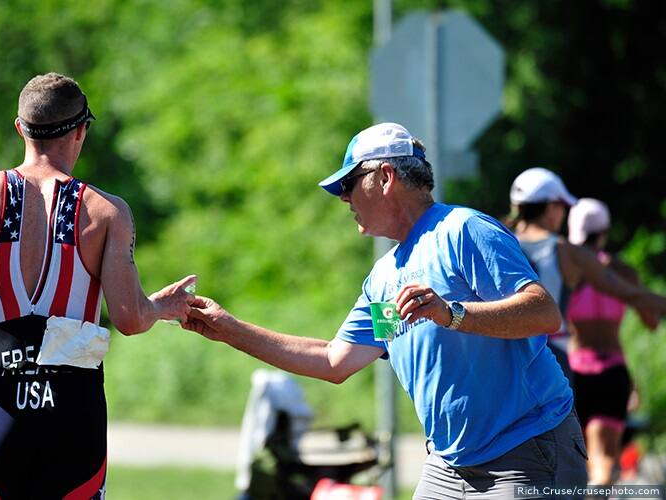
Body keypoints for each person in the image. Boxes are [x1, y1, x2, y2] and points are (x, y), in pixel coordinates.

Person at [185, 122, 589, 499]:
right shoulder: (384, 277)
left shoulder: (463, 230)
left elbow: (543, 312)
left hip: (527, 447)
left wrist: (452, 314)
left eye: (349, 182)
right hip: (449, 466)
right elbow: (334, 361)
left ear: (384, 176)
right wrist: (228, 329)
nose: (343, 197)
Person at [0, 72, 195, 498]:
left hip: (1, 416)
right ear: (81, 130)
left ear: (20, 129)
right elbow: (129, 319)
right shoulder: (107, 211)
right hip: (75, 420)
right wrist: (161, 307)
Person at [506, 169, 665, 384]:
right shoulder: (567, 252)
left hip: (506, 362)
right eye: (562, 207)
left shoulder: (500, 243)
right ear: (551, 208)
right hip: (552, 362)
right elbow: (630, 294)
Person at [566, 198, 652, 487]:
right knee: (604, 459)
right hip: (613, 371)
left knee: (579, 463)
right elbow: (651, 321)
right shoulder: (624, 274)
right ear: (604, 232)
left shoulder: (571, 274)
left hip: (576, 373)